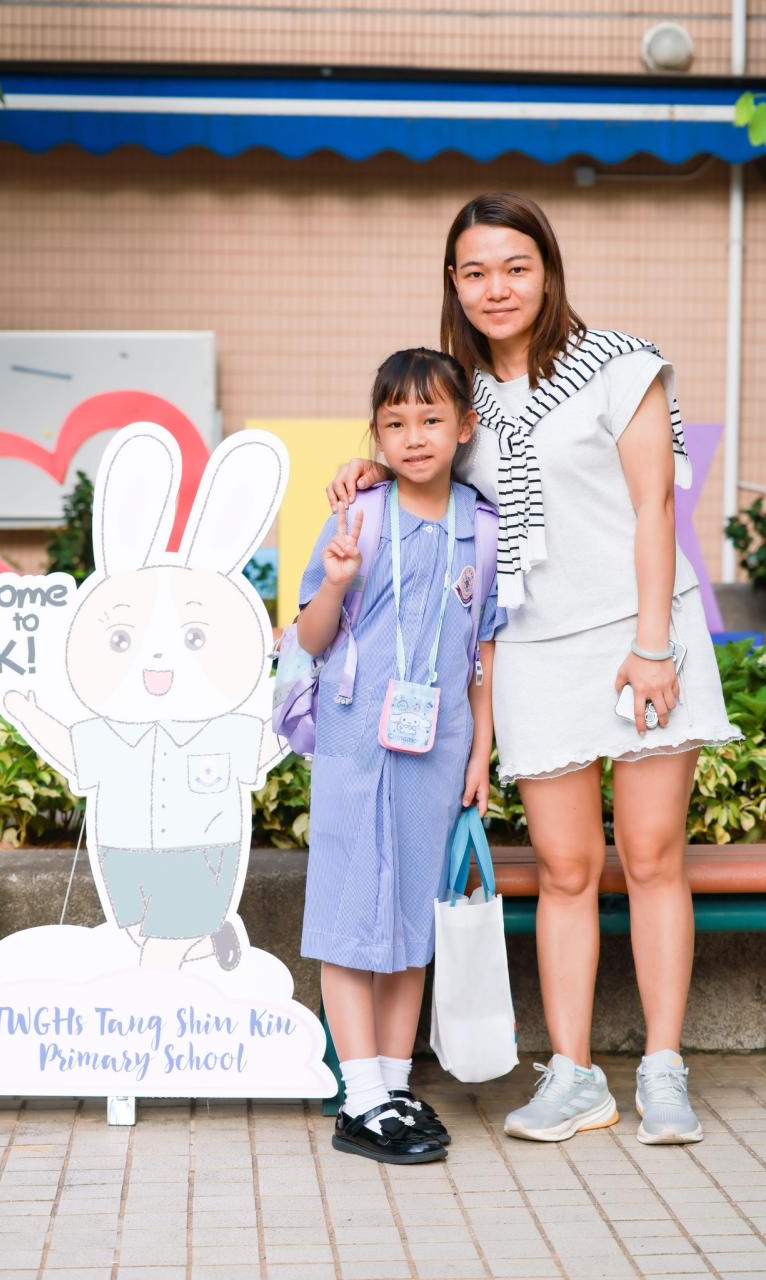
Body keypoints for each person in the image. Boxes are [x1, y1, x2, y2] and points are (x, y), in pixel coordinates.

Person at [327, 193, 741, 1147]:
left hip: (642, 634)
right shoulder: (461, 397)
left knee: (652, 856)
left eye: (515, 267)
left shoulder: (619, 365)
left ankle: (664, 1070)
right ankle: (575, 1076)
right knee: (564, 867)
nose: (496, 288)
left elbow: (655, 509)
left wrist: (652, 646)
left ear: (548, 272)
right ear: (454, 283)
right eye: (475, 272)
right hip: (531, 650)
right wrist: (371, 472)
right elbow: (423, 455)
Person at [298, 347, 502, 1164]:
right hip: (355, 742)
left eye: (430, 419)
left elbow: (483, 653)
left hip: (437, 748)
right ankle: (361, 1098)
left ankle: (392, 1083)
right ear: (375, 433)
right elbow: (311, 639)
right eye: (395, 423)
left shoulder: (482, 528)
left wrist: (481, 750)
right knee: (351, 912)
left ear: (464, 427)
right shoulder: (360, 515)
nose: (414, 437)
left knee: (413, 916)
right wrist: (336, 583)